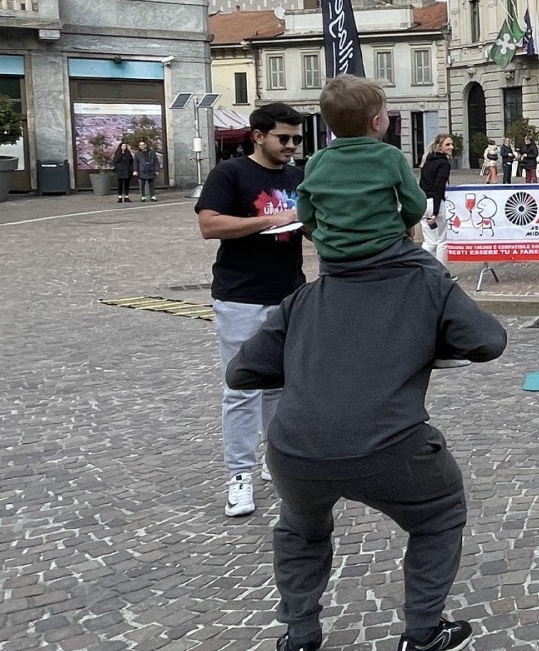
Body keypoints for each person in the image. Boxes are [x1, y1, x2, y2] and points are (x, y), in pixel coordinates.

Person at [225, 195, 508, 651]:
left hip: (296, 448)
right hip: (390, 445)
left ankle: (299, 642)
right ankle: (422, 633)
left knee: (300, 528)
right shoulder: (424, 283)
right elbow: (487, 340)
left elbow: (242, 371)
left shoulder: (303, 300)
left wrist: (311, 362)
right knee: (439, 513)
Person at [194, 102, 307, 519]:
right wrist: (273, 219)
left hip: (289, 293)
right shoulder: (231, 173)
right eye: (284, 138)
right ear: (258, 136)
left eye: (297, 138)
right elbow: (210, 225)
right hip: (239, 294)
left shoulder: (299, 175)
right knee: (241, 388)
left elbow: (306, 225)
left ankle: (273, 460)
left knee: (280, 384)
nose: (292, 146)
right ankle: (238, 477)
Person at [295, 77, 427, 264]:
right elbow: (416, 204)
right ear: (377, 122)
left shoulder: (316, 161)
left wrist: (323, 231)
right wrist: (402, 224)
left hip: (333, 256)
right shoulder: (390, 156)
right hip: (386, 249)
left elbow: (305, 212)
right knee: (436, 278)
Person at [419, 135, 455, 267]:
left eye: (451, 144)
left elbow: (422, 184)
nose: (451, 147)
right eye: (448, 144)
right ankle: (441, 274)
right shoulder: (444, 163)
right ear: (440, 146)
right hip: (435, 203)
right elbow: (439, 187)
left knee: (429, 242)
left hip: (424, 202)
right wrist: (435, 211)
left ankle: (418, 267)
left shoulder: (427, 161)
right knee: (441, 241)